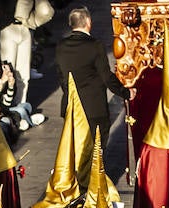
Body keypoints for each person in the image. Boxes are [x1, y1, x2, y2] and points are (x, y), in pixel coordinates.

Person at [55, 7, 130, 147]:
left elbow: (61, 77)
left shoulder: (61, 46)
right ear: (88, 22)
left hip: (70, 107)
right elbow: (106, 77)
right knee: (96, 152)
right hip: (93, 108)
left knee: (75, 150)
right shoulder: (95, 46)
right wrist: (125, 92)